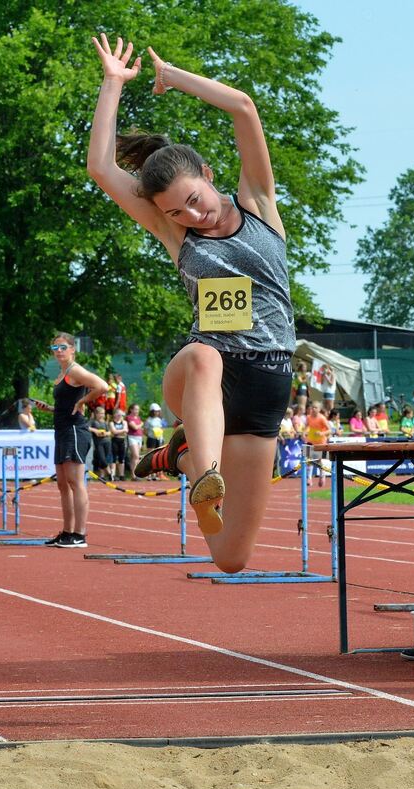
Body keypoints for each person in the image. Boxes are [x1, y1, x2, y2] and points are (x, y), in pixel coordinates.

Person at [88, 35, 295, 571]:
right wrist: (113, 84)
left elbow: (243, 106)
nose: (193, 217)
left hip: (268, 381)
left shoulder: (259, 204)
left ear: (207, 174)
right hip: (206, 374)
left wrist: (175, 77)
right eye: (177, 213)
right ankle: (202, 471)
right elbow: (101, 169)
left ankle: (181, 457)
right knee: (206, 354)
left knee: (231, 558)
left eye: (195, 201)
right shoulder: (179, 238)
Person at [34, 332, 108, 548]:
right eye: (55, 348)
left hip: (75, 431)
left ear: (72, 349)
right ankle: (67, 532)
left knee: (76, 483)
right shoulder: (62, 373)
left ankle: (80, 535)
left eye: (63, 347)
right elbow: (67, 404)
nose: (59, 352)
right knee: (62, 485)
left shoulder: (75, 370)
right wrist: (50, 409)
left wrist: (84, 400)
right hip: (62, 430)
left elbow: (102, 386)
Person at [144, 402, 168, 480]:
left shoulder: (160, 420)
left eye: (158, 411)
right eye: (155, 411)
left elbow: (163, 428)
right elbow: (145, 431)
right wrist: (151, 434)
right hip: (151, 439)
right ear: (152, 411)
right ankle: (149, 475)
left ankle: (158, 474)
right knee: (150, 456)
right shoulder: (148, 420)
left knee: (158, 456)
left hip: (159, 439)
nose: (157, 412)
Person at [89, 406, 114, 480]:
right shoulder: (92, 421)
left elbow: (110, 432)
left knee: (105, 460)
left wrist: (105, 433)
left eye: (103, 413)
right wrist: (95, 431)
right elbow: (86, 427)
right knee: (102, 459)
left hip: (107, 442)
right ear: (96, 414)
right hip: (98, 443)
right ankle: (109, 474)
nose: (102, 415)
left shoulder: (105, 422)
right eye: (101, 413)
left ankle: (102, 476)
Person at [125, 403, 144, 480]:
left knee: (135, 457)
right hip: (132, 437)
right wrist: (141, 424)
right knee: (136, 455)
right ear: (131, 410)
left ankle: (135, 474)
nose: (137, 411)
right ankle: (133, 474)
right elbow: (135, 427)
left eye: (138, 409)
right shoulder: (129, 417)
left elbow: (139, 429)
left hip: (139, 437)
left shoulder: (138, 418)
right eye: (135, 409)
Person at [109, 407, 128, 480]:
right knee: (114, 458)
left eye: (121, 415)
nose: (120, 416)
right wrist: (122, 430)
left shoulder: (124, 422)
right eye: (118, 414)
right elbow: (114, 431)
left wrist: (119, 431)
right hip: (114, 440)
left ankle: (121, 475)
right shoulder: (111, 422)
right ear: (115, 415)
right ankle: (112, 475)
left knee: (121, 458)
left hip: (122, 441)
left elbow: (126, 430)